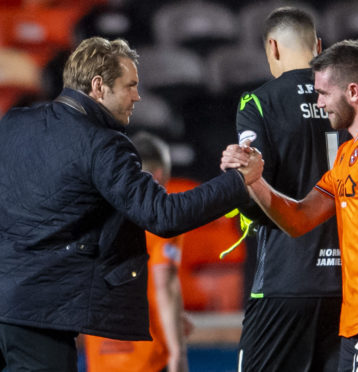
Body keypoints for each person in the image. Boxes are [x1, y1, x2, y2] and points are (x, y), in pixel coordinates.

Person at [0, 37, 263, 371]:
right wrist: (240, 181)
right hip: (39, 320)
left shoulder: (13, 123)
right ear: (98, 86)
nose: (138, 96)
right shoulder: (103, 145)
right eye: (130, 86)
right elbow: (163, 215)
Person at [223, 39, 358, 371]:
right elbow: (299, 218)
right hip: (357, 320)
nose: (319, 102)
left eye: (323, 93)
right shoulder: (348, 153)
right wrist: (255, 180)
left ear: (353, 92)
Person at [233, 8, 358, 371]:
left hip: (284, 281)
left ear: (273, 47)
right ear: (318, 46)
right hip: (353, 286)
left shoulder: (258, 103)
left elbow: (250, 185)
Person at [84, 132, 191, 372]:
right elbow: (165, 285)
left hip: (101, 358)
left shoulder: (95, 217)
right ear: (160, 174)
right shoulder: (163, 220)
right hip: (148, 358)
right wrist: (178, 352)